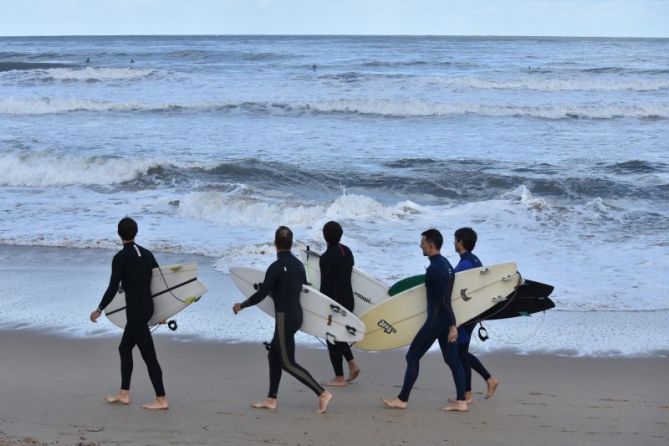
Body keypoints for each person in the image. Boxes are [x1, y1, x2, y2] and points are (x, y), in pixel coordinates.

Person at [233, 226, 333, 414]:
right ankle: (271, 399)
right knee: (274, 355)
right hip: (296, 315)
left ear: (275, 243)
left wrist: (242, 305)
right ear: (291, 242)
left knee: (287, 363)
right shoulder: (298, 265)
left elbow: (262, 292)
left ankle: (322, 393)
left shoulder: (276, 267)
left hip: (284, 318)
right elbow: (305, 290)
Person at [382, 229, 468, 412]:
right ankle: (461, 401)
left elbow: (443, 299)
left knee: (412, 355)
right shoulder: (446, 264)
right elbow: (448, 298)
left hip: (436, 321)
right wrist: (452, 323)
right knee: (452, 359)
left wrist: (453, 325)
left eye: (422, 242)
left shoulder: (435, 268)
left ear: (431, 244)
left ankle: (402, 399)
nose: (420, 245)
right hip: (445, 320)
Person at [89, 217, 168, 410]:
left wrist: (99, 310)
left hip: (135, 312)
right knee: (124, 349)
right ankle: (124, 393)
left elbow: (112, 288)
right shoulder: (148, 254)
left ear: (118, 233)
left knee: (149, 357)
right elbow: (160, 285)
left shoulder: (120, 257)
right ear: (136, 231)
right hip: (147, 308)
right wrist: (164, 312)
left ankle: (161, 399)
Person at [453, 227, 499, 402]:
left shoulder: (466, 263)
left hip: (467, 315)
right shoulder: (473, 259)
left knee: (460, 352)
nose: (453, 242)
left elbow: (459, 290)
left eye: (455, 239)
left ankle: (489, 380)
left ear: (461, 242)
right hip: (472, 313)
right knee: (461, 352)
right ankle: (468, 393)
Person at [319, 221, 361, 387]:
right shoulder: (347, 251)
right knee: (339, 335)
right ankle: (352, 365)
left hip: (334, 303)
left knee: (331, 337)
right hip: (348, 300)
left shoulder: (325, 258)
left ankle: (339, 378)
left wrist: (320, 306)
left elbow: (325, 286)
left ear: (324, 237)